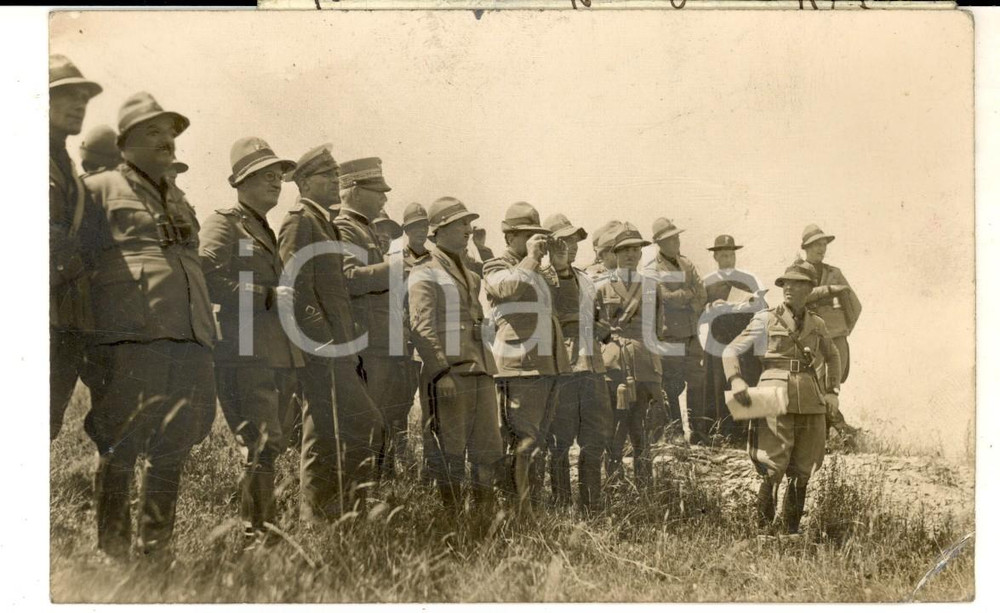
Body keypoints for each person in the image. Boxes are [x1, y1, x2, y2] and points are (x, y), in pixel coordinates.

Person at [82, 92, 217, 559]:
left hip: (189, 337)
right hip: (131, 340)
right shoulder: (98, 189)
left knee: (174, 446)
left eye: (171, 133)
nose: (168, 142)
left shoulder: (177, 195)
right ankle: (114, 554)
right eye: (154, 132)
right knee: (120, 446)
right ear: (125, 142)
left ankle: (155, 551)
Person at [199, 137, 303, 543]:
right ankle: (255, 535)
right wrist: (263, 295)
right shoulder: (224, 223)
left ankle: (264, 531)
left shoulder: (263, 229)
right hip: (244, 352)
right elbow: (204, 277)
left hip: (272, 352)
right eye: (265, 175)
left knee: (271, 444)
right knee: (261, 443)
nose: (276, 182)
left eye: (279, 176)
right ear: (240, 181)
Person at [278, 144, 383, 521]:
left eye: (337, 177)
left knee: (343, 426)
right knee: (326, 431)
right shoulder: (299, 220)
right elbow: (294, 286)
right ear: (305, 182)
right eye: (327, 177)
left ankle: (341, 512)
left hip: (338, 344)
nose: (335, 183)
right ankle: (317, 517)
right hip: (321, 346)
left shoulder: (323, 221)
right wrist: (320, 339)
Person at [726, 262, 842, 535]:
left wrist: (831, 391)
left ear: (809, 289)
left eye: (798, 283)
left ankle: (790, 533)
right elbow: (730, 349)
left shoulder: (818, 323)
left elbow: (833, 355)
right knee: (771, 463)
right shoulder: (766, 319)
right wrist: (736, 379)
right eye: (786, 283)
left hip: (810, 398)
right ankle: (763, 533)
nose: (789, 288)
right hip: (772, 393)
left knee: (804, 466)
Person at [408, 197, 504, 512]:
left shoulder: (471, 274)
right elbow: (422, 326)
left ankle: (483, 519)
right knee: (449, 452)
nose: (468, 229)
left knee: (487, 449)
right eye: (461, 223)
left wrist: (483, 330)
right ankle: (452, 522)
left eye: (468, 223)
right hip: (450, 375)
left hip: (480, 370)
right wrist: (440, 372)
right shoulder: (426, 269)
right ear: (441, 229)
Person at [483, 202, 570, 514]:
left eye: (540, 236)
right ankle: (516, 509)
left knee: (536, 442)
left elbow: (570, 304)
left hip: (547, 365)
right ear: (510, 237)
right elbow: (506, 289)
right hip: (518, 367)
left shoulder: (539, 270)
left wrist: (560, 266)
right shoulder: (495, 266)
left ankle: (528, 506)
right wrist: (532, 259)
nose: (538, 241)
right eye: (530, 235)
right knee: (520, 440)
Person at [334, 158, 404, 481]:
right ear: (353, 190)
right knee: (363, 427)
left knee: (379, 426)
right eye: (376, 191)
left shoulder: (365, 230)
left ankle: (370, 495)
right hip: (366, 345)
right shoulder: (346, 228)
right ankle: (357, 498)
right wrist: (397, 271)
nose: (383, 198)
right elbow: (349, 277)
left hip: (378, 344)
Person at [542, 213, 613, 512]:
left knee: (595, 437)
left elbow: (596, 319)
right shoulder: (542, 278)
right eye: (563, 242)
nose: (570, 248)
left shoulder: (585, 278)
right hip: (562, 368)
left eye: (574, 242)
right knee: (560, 440)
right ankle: (560, 505)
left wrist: (603, 329)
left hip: (592, 366)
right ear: (548, 245)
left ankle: (591, 507)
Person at [49, 55, 102, 441]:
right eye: (67, 95)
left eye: (84, 97)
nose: (80, 104)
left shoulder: (65, 164)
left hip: (65, 315)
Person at [597, 223, 664, 488]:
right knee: (614, 428)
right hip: (613, 363)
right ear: (614, 253)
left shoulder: (652, 287)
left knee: (642, 430)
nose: (630, 255)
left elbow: (658, 329)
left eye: (635, 249)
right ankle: (614, 484)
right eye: (624, 250)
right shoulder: (601, 288)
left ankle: (645, 488)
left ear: (640, 254)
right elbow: (594, 326)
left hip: (645, 363)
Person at [645, 218, 708, 444]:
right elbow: (666, 298)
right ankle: (676, 433)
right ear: (659, 243)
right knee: (672, 385)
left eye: (676, 237)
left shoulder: (686, 264)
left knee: (697, 383)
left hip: (691, 336)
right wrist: (687, 294)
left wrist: (685, 296)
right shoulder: (652, 269)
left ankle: (699, 433)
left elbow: (702, 294)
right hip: (669, 336)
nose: (675, 242)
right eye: (670, 239)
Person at [701, 235, 766, 445]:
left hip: (743, 339)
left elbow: (762, 306)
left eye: (731, 254)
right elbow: (699, 312)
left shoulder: (749, 279)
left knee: (745, 378)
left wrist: (743, 306)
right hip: (718, 338)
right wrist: (711, 309)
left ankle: (748, 433)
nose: (729, 259)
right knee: (719, 381)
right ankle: (723, 432)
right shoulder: (707, 281)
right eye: (724, 255)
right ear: (716, 256)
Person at [798, 224, 862, 437]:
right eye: (816, 244)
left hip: (836, 337)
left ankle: (830, 435)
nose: (821, 248)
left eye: (824, 244)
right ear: (805, 247)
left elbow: (854, 304)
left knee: (831, 386)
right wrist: (827, 291)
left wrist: (843, 329)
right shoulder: (797, 271)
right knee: (814, 385)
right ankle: (843, 431)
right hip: (811, 338)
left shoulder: (835, 273)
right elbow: (797, 297)